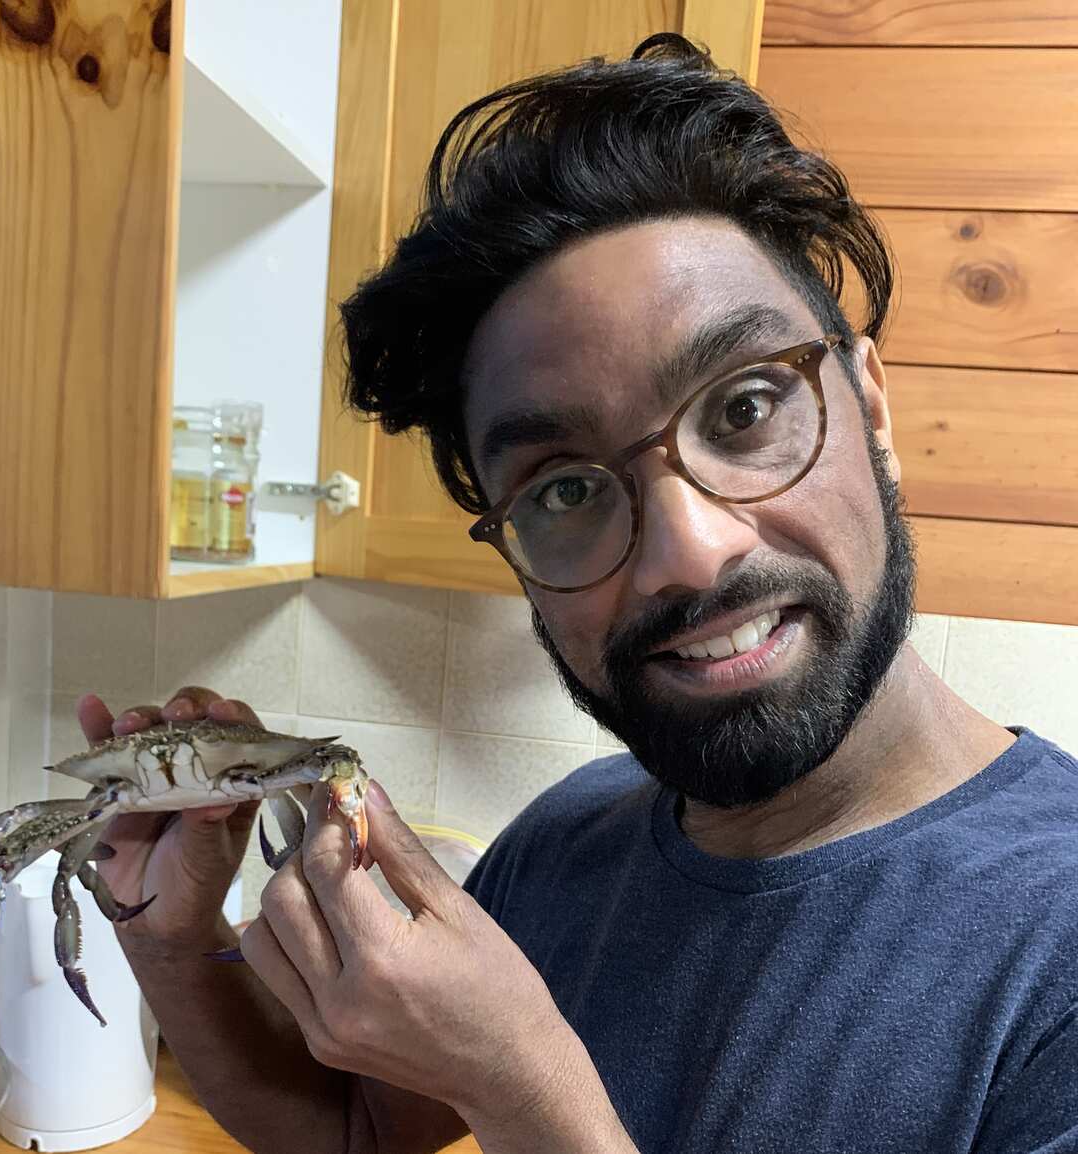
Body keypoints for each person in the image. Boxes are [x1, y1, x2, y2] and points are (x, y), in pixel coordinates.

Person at [79, 35, 1078, 1153]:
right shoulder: (566, 843)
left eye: (744, 410)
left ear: (872, 411)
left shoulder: (1053, 947)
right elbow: (355, 1128)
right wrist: (174, 943)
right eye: (562, 487)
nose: (686, 553)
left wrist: (523, 1085)